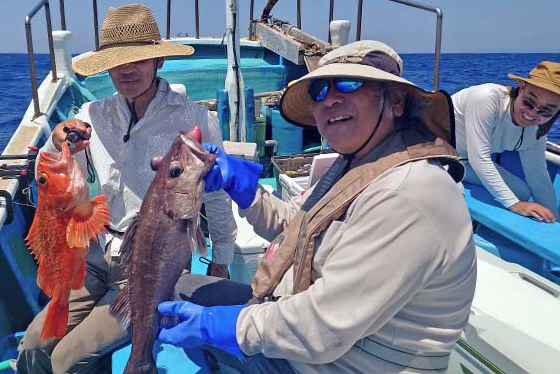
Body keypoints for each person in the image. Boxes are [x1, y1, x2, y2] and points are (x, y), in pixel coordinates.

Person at [156, 40, 477, 373]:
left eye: (350, 84)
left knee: (191, 316)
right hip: (307, 334)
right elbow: (299, 226)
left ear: (395, 101)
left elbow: (323, 327)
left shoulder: (408, 192)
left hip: (339, 362)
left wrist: (222, 326)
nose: (331, 99)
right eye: (320, 91)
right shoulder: (357, 163)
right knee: (183, 290)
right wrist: (246, 190)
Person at [17, 3, 238, 374]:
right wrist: (57, 144)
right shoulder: (91, 115)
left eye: (139, 60)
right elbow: (55, 180)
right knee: (33, 349)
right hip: (91, 258)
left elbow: (215, 194)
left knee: (66, 362)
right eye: (118, 61)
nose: (127, 70)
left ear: (158, 62)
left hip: (152, 263)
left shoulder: (193, 117)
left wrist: (222, 260)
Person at [452, 61, 560, 222]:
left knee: (522, 191)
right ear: (522, 87)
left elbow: (538, 177)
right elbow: (479, 158)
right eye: (529, 102)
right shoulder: (486, 98)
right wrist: (515, 204)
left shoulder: (538, 130)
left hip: (464, 162)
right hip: (437, 156)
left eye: (546, 111)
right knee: (516, 198)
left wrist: (555, 222)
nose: (532, 113)